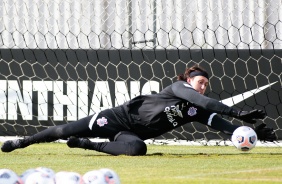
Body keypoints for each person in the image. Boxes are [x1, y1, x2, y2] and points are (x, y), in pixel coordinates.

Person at [1, 64, 276, 156]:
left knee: (137, 150)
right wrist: (236, 112)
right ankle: (22, 142)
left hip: (128, 134)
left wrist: (246, 130)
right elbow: (205, 103)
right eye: (200, 83)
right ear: (189, 81)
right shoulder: (178, 89)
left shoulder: (197, 108)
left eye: (206, 85)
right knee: (61, 130)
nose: (203, 88)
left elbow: (220, 124)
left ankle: (86, 145)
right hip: (113, 118)